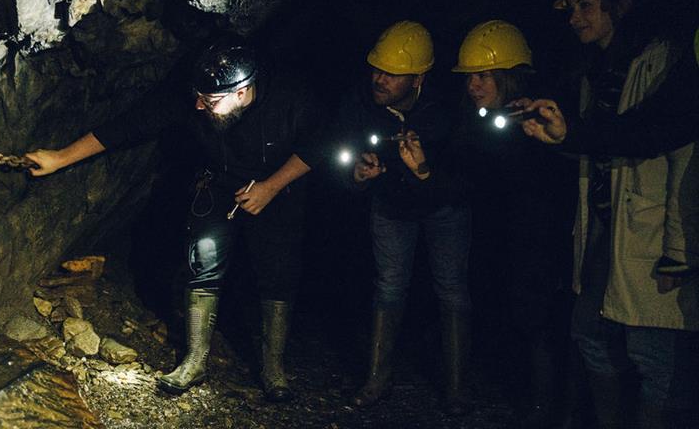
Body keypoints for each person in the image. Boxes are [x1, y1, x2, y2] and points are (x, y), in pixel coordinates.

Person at [25, 39, 320, 402]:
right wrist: (60, 158)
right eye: (198, 96)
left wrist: (271, 187)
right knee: (203, 264)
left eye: (209, 101)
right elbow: (128, 125)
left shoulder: (291, 97)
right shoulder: (192, 97)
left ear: (242, 92)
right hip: (220, 185)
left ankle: (274, 369)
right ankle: (194, 361)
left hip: (277, 188)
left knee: (277, 272)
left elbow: (317, 146)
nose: (198, 105)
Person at [520, 0, 699, 428]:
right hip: (606, 225)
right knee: (590, 334)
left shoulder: (664, 59)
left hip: (653, 228)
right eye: (571, 8)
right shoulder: (594, 70)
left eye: (586, 5)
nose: (575, 17)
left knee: (654, 353)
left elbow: (680, 146)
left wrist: (681, 248)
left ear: (623, 3)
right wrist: (557, 137)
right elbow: (599, 143)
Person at [309, 21, 472, 412]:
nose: (378, 79)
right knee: (389, 286)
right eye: (376, 69)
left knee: (451, 289)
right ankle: (377, 378)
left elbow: (467, 175)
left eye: (390, 74)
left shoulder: (447, 110)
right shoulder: (359, 102)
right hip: (392, 207)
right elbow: (337, 156)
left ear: (418, 79)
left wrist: (424, 172)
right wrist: (357, 176)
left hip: (444, 207)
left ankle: (456, 388)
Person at [448, 20, 575, 428]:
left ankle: (545, 408)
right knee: (506, 312)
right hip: (497, 233)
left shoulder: (535, 116)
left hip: (534, 235)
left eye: (484, 75)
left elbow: (545, 181)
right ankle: (518, 394)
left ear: (508, 74)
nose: (475, 84)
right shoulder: (477, 120)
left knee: (537, 319)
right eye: (471, 77)